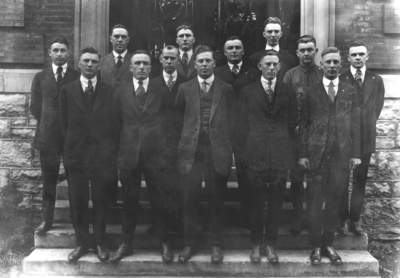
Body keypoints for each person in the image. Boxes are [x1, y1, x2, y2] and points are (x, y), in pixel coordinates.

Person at [298, 47, 361, 265]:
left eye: (336, 62)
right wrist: (303, 154)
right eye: (328, 62)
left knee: (334, 202)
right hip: (316, 155)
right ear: (321, 65)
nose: (332, 66)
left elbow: (355, 125)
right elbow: (303, 125)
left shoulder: (349, 91)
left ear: (341, 64)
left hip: (340, 156)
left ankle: (329, 244)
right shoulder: (310, 91)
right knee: (315, 201)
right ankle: (316, 246)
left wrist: (355, 154)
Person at [111, 50, 173, 263]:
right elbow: (115, 122)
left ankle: (163, 241)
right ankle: (126, 243)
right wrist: (119, 149)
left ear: (151, 67)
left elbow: (168, 122)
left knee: (159, 199)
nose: (141, 67)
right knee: (129, 200)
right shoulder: (120, 90)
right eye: (137, 63)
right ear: (130, 68)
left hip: (155, 154)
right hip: (129, 153)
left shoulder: (161, 90)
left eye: (145, 64)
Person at [175, 45, 234, 264]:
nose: (204, 65)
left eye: (208, 61)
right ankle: (190, 243)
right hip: (191, 150)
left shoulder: (226, 88)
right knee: (189, 198)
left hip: (217, 150)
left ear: (214, 63)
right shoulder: (185, 88)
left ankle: (216, 245)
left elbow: (232, 119)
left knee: (216, 198)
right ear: (195, 64)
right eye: (200, 61)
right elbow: (178, 117)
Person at [59, 46, 118, 262]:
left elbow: (115, 124)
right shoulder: (67, 90)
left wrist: (109, 151)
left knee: (101, 200)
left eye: (94, 61)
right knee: (78, 200)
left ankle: (100, 243)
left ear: (99, 65)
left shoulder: (109, 91)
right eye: (86, 61)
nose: (90, 65)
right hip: (77, 155)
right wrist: (72, 148)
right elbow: (63, 124)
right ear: (79, 64)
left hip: (102, 156)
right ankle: (81, 243)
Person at [239, 50, 296, 264]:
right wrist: (245, 154)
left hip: (280, 154)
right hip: (255, 154)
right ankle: (256, 243)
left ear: (280, 67)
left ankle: (270, 244)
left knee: (276, 202)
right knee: (256, 200)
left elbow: (292, 123)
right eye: (267, 64)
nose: (271, 68)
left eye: (275, 64)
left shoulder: (288, 91)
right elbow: (240, 124)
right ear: (260, 67)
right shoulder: (247, 92)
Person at [30, 37, 80, 236]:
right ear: (49, 53)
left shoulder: (76, 76)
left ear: (69, 53)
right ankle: (47, 220)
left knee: (75, 180)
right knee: (49, 181)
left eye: (63, 50)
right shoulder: (40, 77)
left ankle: (78, 221)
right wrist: (48, 121)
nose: (59, 54)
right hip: (48, 136)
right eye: (55, 50)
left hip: (71, 136)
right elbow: (35, 106)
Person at [337, 40, 385, 236]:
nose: (357, 58)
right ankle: (340, 220)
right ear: (348, 58)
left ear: (367, 56)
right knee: (341, 180)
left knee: (360, 181)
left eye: (361, 54)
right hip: (343, 139)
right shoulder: (340, 78)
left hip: (365, 138)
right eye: (354, 55)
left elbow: (378, 108)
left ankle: (355, 220)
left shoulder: (377, 80)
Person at [214, 36, 259, 228]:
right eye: (230, 48)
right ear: (224, 53)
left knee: (246, 176)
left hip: (246, 131)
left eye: (237, 48)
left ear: (243, 51)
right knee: (219, 175)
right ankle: (219, 220)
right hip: (221, 130)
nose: (234, 51)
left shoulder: (255, 73)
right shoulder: (216, 73)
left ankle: (248, 218)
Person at [283, 35, 323, 235]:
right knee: (297, 179)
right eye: (303, 50)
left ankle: (313, 218)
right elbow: (284, 105)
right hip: (296, 135)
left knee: (316, 179)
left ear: (316, 51)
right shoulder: (290, 75)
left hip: (318, 136)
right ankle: (297, 216)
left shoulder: (324, 74)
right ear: (297, 53)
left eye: (310, 49)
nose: (306, 53)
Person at [151, 45, 186, 233]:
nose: (169, 61)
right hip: (158, 142)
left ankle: (179, 223)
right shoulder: (152, 83)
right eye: (166, 58)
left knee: (179, 184)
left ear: (179, 60)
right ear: (160, 59)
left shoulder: (187, 82)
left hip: (181, 141)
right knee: (159, 184)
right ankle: (160, 224)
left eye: (173, 58)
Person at [98, 23, 132, 205]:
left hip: (130, 119)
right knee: (108, 161)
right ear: (110, 39)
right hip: (107, 121)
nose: (119, 40)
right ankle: (109, 202)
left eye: (123, 37)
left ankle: (128, 201)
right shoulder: (101, 62)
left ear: (128, 40)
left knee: (128, 163)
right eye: (116, 36)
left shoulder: (137, 61)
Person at [249, 17, 295, 82]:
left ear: (281, 34)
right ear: (264, 34)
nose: (273, 35)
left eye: (276, 31)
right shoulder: (254, 58)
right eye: (269, 32)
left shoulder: (289, 58)